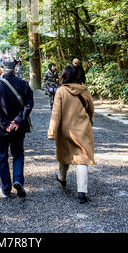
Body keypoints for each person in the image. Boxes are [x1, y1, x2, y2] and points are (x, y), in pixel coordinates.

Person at [48, 64, 95, 204]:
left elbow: (56, 113)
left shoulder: (61, 91)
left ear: (64, 76)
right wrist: (90, 121)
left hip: (65, 129)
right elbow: (91, 109)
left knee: (64, 153)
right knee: (82, 158)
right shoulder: (84, 90)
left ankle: (62, 178)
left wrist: (52, 132)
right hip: (83, 128)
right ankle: (82, 192)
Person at [0, 60, 34, 199]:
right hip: (18, 128)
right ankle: (18, 180)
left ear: (1, 70)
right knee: (18, 154)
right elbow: (29, 104)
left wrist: (5, 123)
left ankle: (6, 188)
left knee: (2, 157)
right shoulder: (23, 84)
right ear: (14, 70)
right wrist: (17, 121)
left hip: (0, 128)